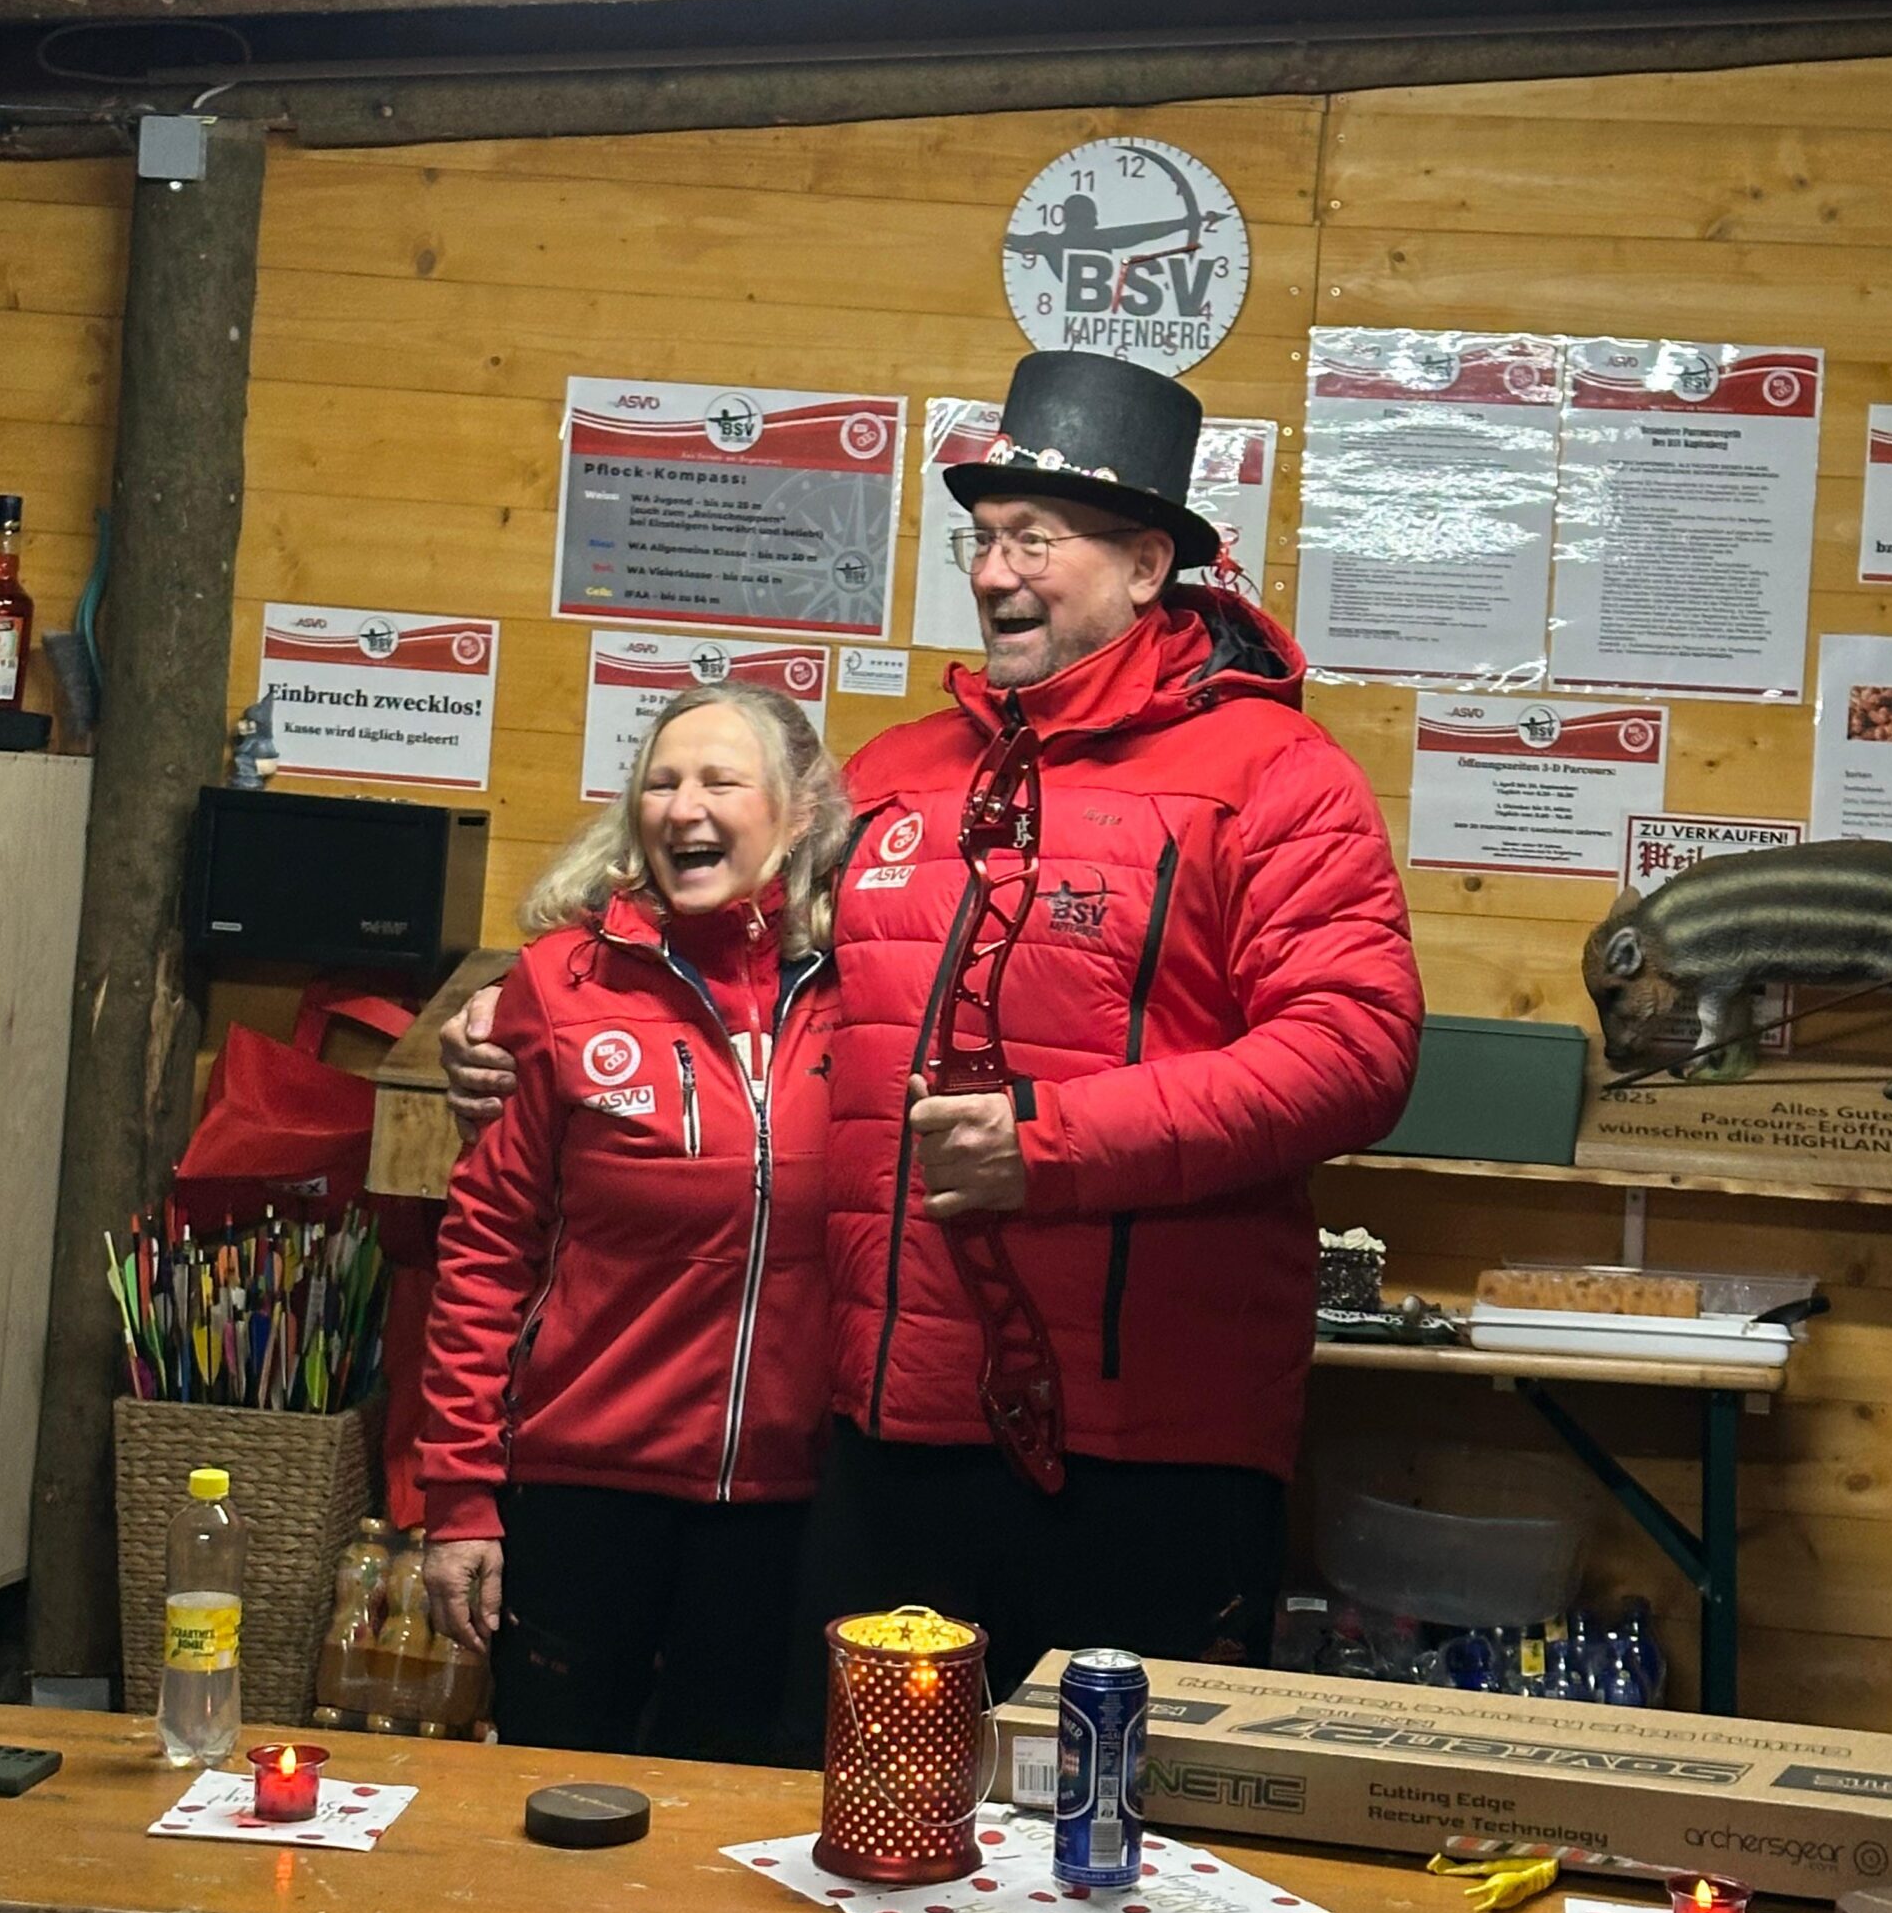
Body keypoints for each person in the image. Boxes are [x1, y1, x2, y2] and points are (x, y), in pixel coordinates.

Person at [446, 351, 1422, 1726]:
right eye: (983, 539)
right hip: (888, 1441)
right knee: (859, 1818)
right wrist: (515, 1012)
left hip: (1150, 1451)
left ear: (1148, 565)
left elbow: (1358, 1048)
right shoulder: (901, 775)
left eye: (1037, 539)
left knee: (1106, 1822)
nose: (996, 572)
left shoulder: (1275, 775)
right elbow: (715, 929)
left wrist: (1052, 1145)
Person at [418, 683, 848, 1761]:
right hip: (582, 1493)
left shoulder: (864, 988)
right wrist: (461, 1496)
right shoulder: (561, 984)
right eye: (661, 782)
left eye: (720, 781)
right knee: (550, 1801)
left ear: (799, 811)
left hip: (791, 1504)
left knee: (741, 1815)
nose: (682, 807)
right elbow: (485, 1252)